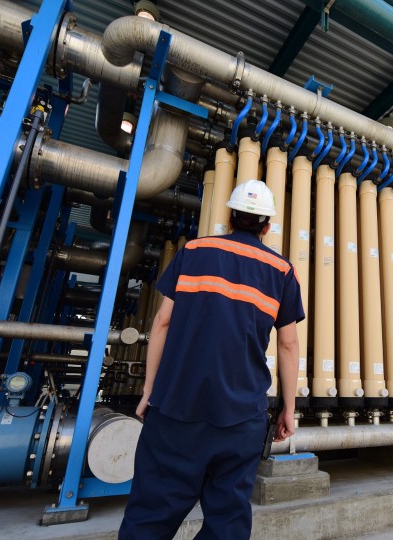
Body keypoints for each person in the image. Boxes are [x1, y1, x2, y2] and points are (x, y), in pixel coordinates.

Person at [119, 179, 303, 540]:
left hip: (175, 409)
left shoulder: (193, 251)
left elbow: (162, 321)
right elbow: (288, 343)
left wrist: (150, 390)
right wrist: (288, 408)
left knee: (150, 515)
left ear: (230, 217)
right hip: (241, 416)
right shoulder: (281, 271)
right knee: (227, 521)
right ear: (267, 226)